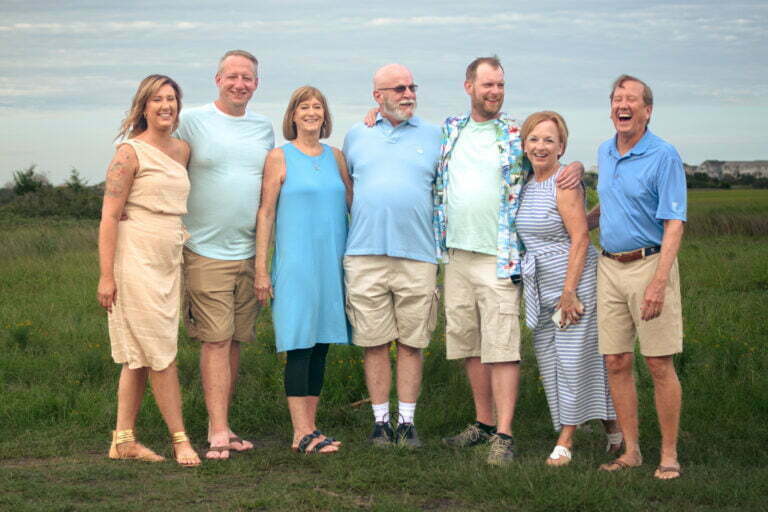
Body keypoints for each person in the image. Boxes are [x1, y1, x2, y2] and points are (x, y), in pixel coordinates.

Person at [435, 56, 583, 466]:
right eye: (487, 85)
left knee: (501, 347)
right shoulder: (450, 130)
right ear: (469, 86)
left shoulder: (516, 133)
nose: (495, 92)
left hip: (499, 257)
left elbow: (548, 154)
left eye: (500, 85)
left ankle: (504, 433)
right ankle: (482, 425)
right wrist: (378, 115)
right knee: (470, 344)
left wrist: (576, 165)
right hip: (456, 254)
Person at [175, 50, 274, 459]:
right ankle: (217, 430)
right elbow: (156, 152)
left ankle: (225, 424)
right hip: (205, 250)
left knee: (233, 341)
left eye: (247, 78)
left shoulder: (264, 128)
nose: (240, 84)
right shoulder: (192, 121)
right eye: (232, 76)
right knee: (215, 341)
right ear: (217, 78)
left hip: (250, 252)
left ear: (256, 83)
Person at [97, 74, 200, 467]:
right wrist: (107, 276)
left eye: (171, 98)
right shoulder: (129, 153)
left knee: (138, 355)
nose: (165, 106)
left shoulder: (183, 150)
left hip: (168, 256)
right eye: (157, 99)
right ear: (143, 106)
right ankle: (180, 440)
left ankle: (123, 440)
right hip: (134, 256)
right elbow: (108, 217)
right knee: (160, 353)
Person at [588, 75, 686, 480]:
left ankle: (668, 455)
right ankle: (631, 451)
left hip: (650, 263)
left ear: (647, 110)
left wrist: (659, 281)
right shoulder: (604, 151)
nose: (622, 105)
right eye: (616, 98)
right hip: (608, 266)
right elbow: (606, 207)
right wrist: (573, 222)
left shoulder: (664, 155)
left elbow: (675, 222)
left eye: (631, 99)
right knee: (615, 360)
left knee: (658, 363)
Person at [343, 64, 442, 448]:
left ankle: (407, 423)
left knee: (413, 342)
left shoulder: (435, 135)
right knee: (374, 341)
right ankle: (381, 422)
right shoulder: (357, 134)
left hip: (418, 254)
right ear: (378, 97)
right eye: (398, 88)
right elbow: (350, 187)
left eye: (412, 86)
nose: (408, 93)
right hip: (365, 253)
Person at [516, 111, 620, 467]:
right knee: (550, 360)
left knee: (573, 359)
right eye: (534, 139)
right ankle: (615, 429)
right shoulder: (526, 181)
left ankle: (567, 438)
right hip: (540, 284)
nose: (540, 146)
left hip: (572, 281)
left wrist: (569, 291)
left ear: (561, 146)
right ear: (524, 144)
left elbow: (579, 238)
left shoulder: (564, 182)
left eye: (549, 140)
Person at [254, 86, 352, 454]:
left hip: (331, 263)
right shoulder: (279, 157)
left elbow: (353, 206)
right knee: (299, 344)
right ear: (292, 116)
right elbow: (266, 213)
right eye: (303, 107)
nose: (311, 112)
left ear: (325, 116)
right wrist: (261, 270)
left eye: (318, 107)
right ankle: (300, 432)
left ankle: (311, 428)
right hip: (296, 265)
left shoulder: (337, 157)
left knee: (322, 344)